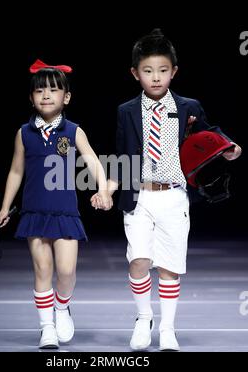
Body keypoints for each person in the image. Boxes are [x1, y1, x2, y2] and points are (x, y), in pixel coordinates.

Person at [91, 29, 242, 351]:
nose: (155, 77)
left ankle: (168, 328)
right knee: (139, 261)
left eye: (162, 70)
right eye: (147, 71)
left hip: (175, 196)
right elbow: (121, 158)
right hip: (139, 196)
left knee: (170, 266)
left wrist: (231, 147)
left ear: (173, 71)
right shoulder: (126, 111)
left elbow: (209, 136)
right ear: (135, 73)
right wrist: (107, 189)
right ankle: (144, 317)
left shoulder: (189, 106)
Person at [0, 59, 112, 349]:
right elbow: (15, 171)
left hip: (65, 212)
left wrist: (104, 189)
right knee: (43, 269)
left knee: (67, 270)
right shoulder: (23, 133)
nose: (46, 95)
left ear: (66, 97)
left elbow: (93, 162)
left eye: (53, 90)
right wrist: (4, 206)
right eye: (39, 91)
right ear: (31, 98)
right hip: (34, 212)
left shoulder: (73, 131)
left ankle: (62, 308)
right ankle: (47, 326)